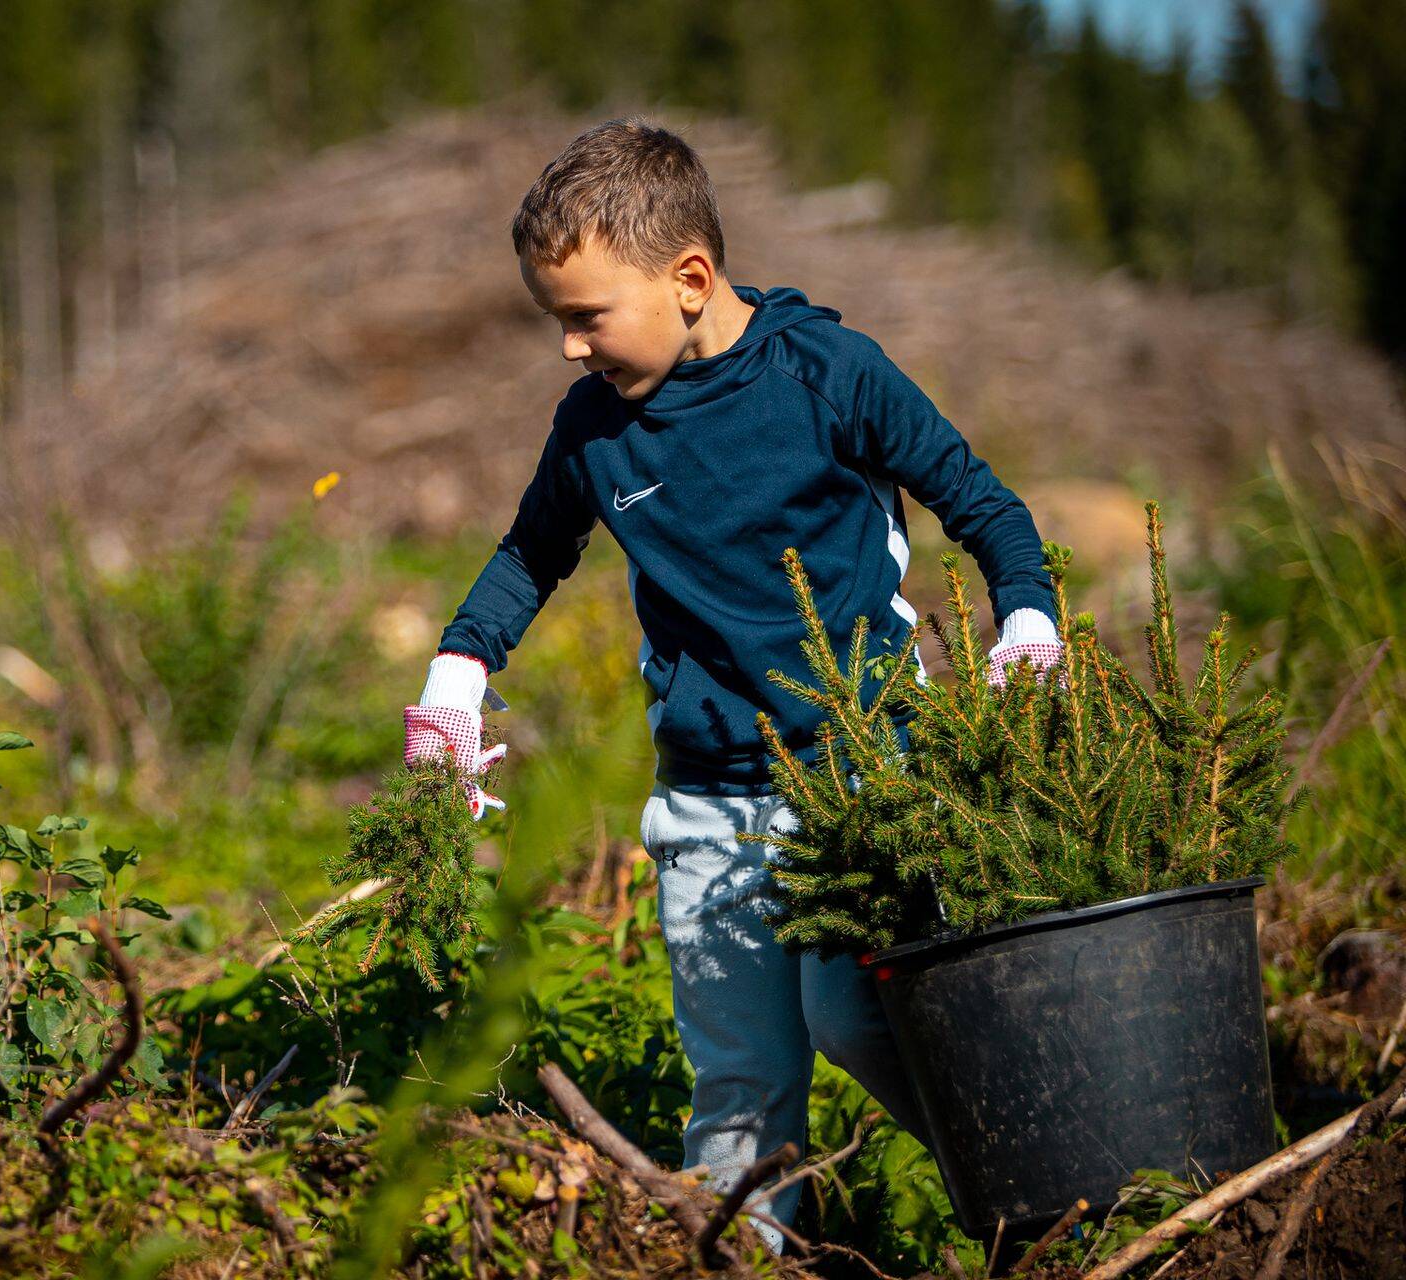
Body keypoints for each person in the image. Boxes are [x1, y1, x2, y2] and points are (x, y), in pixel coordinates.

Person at [401, 117, 1064, 1253]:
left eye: (585, 317)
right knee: (740, 1087)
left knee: (854, 1015)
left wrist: (1031, 621)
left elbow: (981, 501)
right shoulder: (597, 428)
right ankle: (750, 1257)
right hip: (706, 796)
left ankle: (1034, 1204)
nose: (569, 348)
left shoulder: (829, 374)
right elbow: (531, 553)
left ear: (690, 280)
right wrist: (459, 672)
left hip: (863, 773)